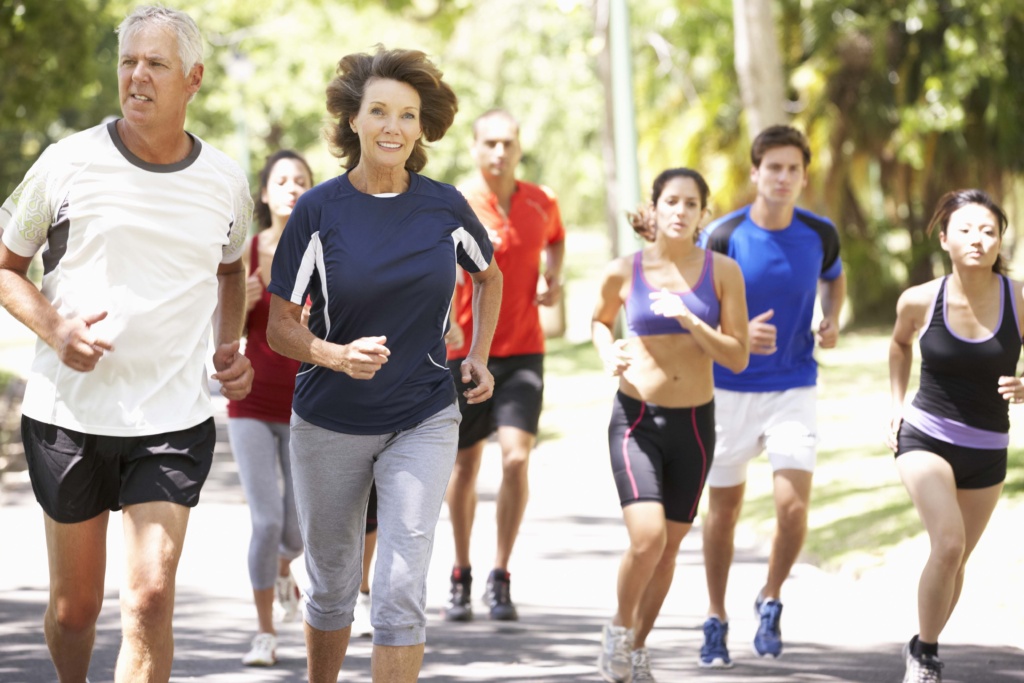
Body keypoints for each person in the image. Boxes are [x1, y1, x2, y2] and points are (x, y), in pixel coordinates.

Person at [0, 6, 253, 682]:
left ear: (194, 78)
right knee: (76, 610)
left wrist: (228, 344)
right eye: (128, 62)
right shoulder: (67, 162)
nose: (137, 76)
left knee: (148, 599)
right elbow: (4, 264)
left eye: (156, 64)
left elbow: (233, 270)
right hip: (70, 418)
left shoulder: (226, 180)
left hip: (170, 421)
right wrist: (56, 328)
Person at [265, 46, 502, 683]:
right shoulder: (318, 211)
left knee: (399, 585)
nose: (392, 126)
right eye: (379, 112)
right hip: (329, 419)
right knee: (334, 580)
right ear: (354, 121)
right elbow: (280, 325)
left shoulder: (445, 206)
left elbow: (489, 276)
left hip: (422, 412)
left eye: (407, 114)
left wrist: (477, 356)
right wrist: (333, 355)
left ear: (422, 128)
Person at [591, 168, 749, 682]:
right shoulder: (624, 270)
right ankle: (617, 630)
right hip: (636, 418)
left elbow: (738, 356)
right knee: (647, 538)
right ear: (654, 208)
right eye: (671, 201)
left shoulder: (723, 272)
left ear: (704, 213)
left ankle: (637, 649)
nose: (679, 211)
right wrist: (606, 350)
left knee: (669, 548)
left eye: (691, 204)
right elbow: (598, 319)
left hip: (695, 427)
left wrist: (689, 319)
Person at [697, 125, 846, 666]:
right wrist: (737, 335)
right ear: (756, 172)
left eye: (793, 169)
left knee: (793, 508)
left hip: (794, 386)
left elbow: (834, 276)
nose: (783, 177)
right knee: (725, 510)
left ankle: (771, 596)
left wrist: (831, 318)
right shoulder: (722, 234)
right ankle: (715, 615)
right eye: (773, 167)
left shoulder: (819, 233)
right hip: (728, 390)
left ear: (804, 176)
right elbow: (696, 304)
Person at [888, 189, 1018, 683]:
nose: (978, 239)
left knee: (956, 557)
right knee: (947, 543)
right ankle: (926, 659)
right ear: (944, 239)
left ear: (999, 240)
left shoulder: (1019, 298)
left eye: (988, 230)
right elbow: (899, 345)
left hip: (988, 449)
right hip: (925, 437)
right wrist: (896, 406)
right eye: (965, 230)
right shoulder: (920, 299)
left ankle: (923, 644)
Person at [442, 108, 565, 622]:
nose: (499, 152)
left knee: (515, 459)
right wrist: (445, 320)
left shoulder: (542, 202)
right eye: (489, 143)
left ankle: (500, 573)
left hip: (523, 351)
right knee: (465, 466)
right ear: (474, 147)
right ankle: (461, 571)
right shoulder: (458, 203)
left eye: (507, 143)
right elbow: (439, 267)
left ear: (519, 148)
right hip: (466, 352)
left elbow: (556, 240)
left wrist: (552, 279)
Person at [227, 150, 313, 666]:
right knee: (264, 521)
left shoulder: (321, 251)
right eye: (282, 180)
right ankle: (264, 632)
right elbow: (228, 329)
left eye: (301, 180)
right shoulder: (247, 251)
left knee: (297, 529)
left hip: (305, 406)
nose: (292, 187)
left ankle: (284, 571)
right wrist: (244, 299)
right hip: (252, 404)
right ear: (265, 193)